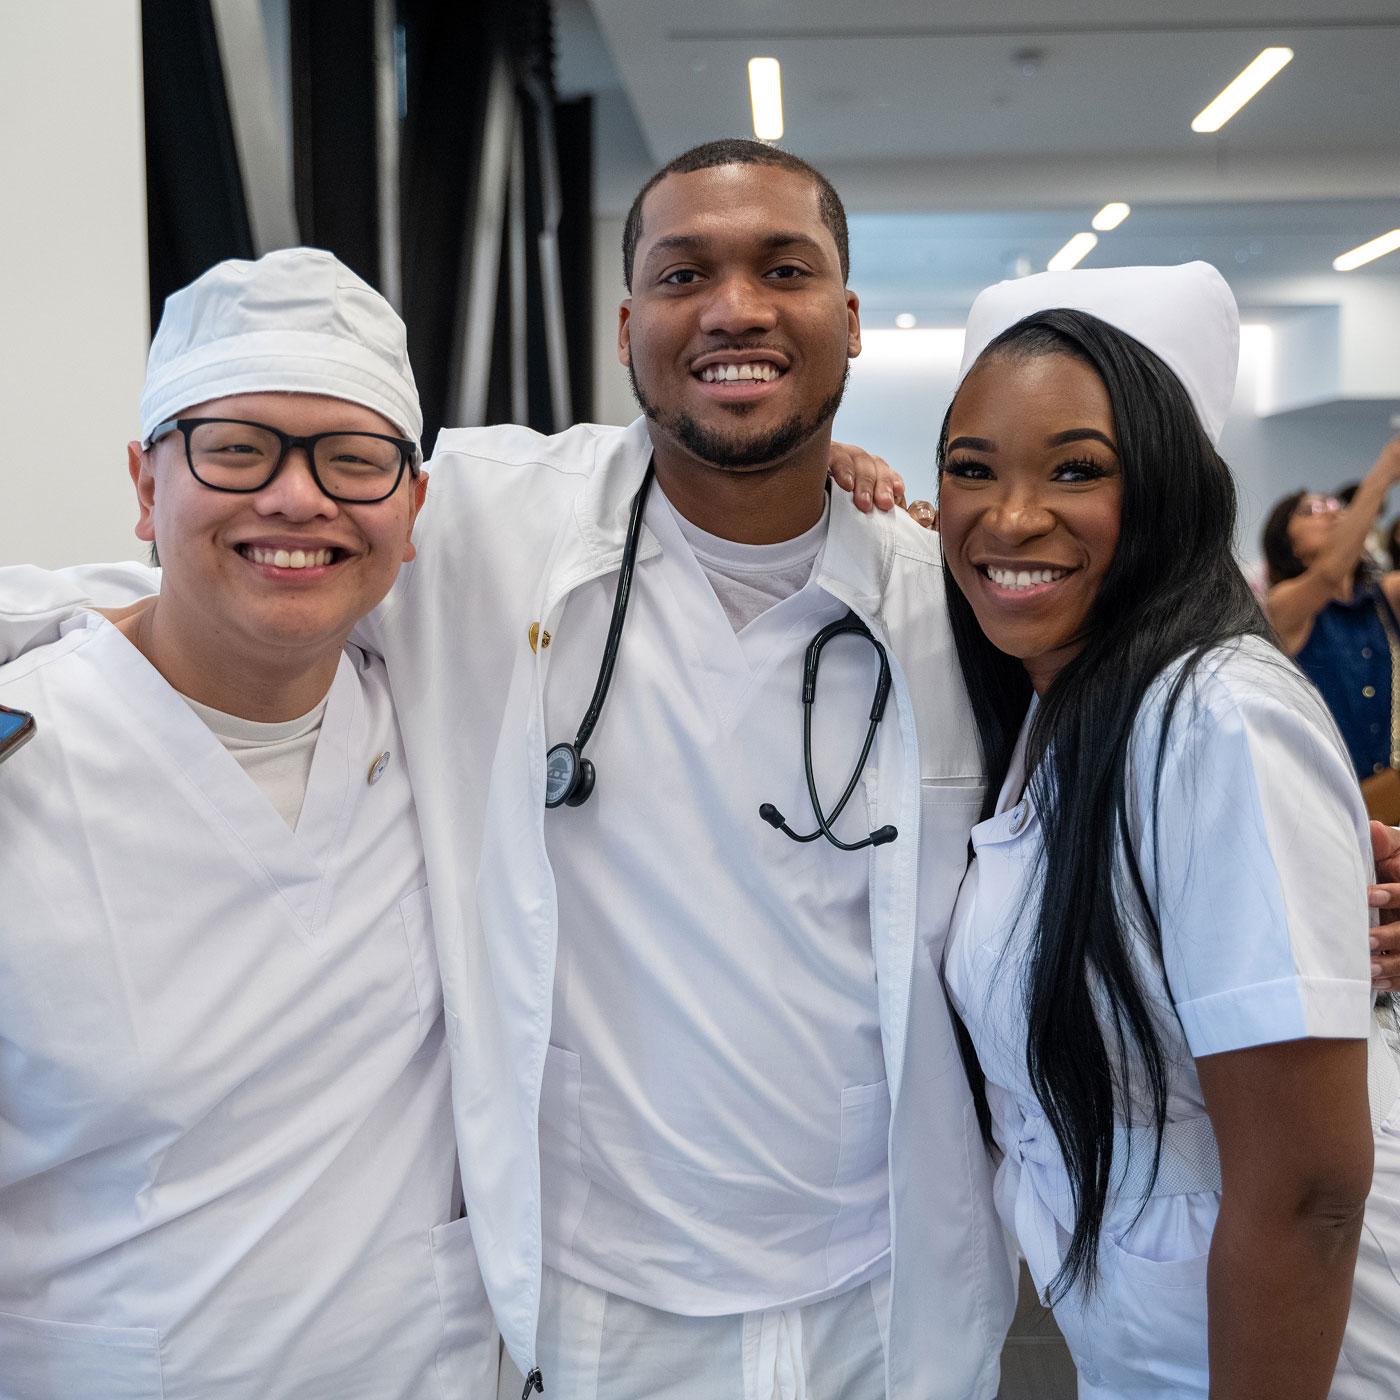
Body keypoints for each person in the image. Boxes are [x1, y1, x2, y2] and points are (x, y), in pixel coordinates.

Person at [0, 146, 1016, 1399]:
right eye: (683, 273)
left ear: (847, 319)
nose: (734, 308)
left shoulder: (948, 604)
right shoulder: (493, 518)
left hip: (880, 1279)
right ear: (625, 324)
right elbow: (238, 584)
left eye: (782, 270)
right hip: (593, 1299)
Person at [0, 249, 498, 1398]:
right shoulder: (28, 759)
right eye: (235, 449)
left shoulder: (450, 722)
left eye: (354, 458)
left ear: (412, 509)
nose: (296, 497)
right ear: (145, 484)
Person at [935, 262, 1400, 1398]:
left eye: (1076, 469)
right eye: (971, 467)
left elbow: (1308, 1193)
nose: (1010, 516)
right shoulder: (1057, 706)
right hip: (1148, 1347)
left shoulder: (1215, 717)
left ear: (1171, 488)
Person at [1261, 437, 1400, 782]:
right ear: (1287, 544)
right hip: (1328, 795)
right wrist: (1387, 467)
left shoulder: (1383, 595)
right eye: (1311, 510)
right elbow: (1328, 574)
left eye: (1333, 504)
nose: (1332, 511)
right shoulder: (1283, 605)